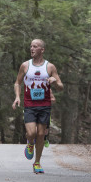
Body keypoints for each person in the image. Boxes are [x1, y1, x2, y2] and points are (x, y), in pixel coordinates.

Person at [12, 39, 63, 173]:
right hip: (29, 104)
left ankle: (37, 163)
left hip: (45, 105)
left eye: (35, 46)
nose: (32, 49)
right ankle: (30, 143)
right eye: (31, 46)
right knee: (31, 133)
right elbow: (17, 83)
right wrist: (17, 97)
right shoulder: (25, 65)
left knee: (41, 134)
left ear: (42, 50)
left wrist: (54, 82)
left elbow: (61, 87)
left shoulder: (50, 67)